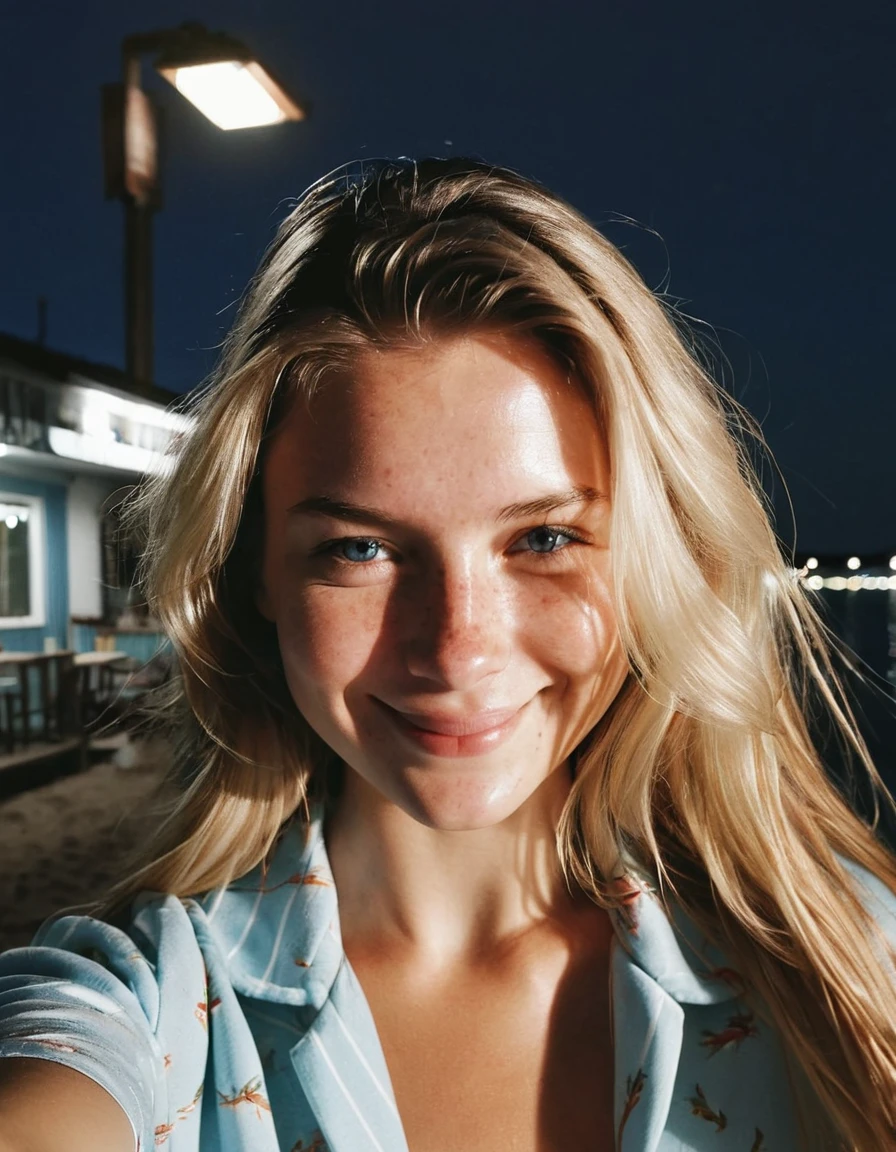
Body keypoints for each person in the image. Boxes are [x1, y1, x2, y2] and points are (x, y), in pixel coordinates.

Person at [0, 157, 894, 1152]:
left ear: (652, 556)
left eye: (543, 539)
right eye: (360, 549)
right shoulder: (137, 1003)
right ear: (255, 574)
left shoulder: (850, 970)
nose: (456, 646)